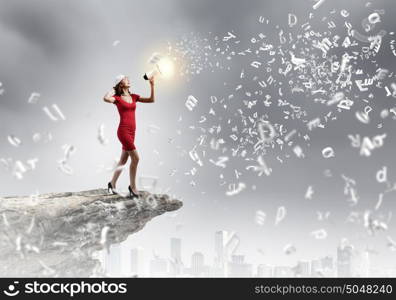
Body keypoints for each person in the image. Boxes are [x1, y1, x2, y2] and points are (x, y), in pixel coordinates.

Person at [103, 74, 155, 198]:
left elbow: (151, 100)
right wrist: (113, 89)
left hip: (132, 132)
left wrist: (152, 85)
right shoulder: (117, 98)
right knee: (136, 158)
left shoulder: (134, 96)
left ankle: (112, 184)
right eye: (125, 79)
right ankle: (133, 187)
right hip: (123, 131)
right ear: (120, 83)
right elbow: (105, 98)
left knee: (124, 160)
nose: (128, 79)